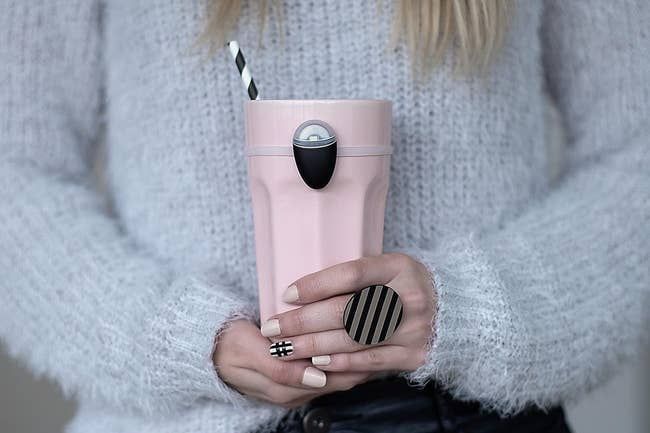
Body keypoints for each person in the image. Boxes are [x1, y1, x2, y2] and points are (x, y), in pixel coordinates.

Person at [1, 1, 648, 432]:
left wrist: (474, 305)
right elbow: (15, 176)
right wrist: (185, 339)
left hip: (463, 414)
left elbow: (636, 155)